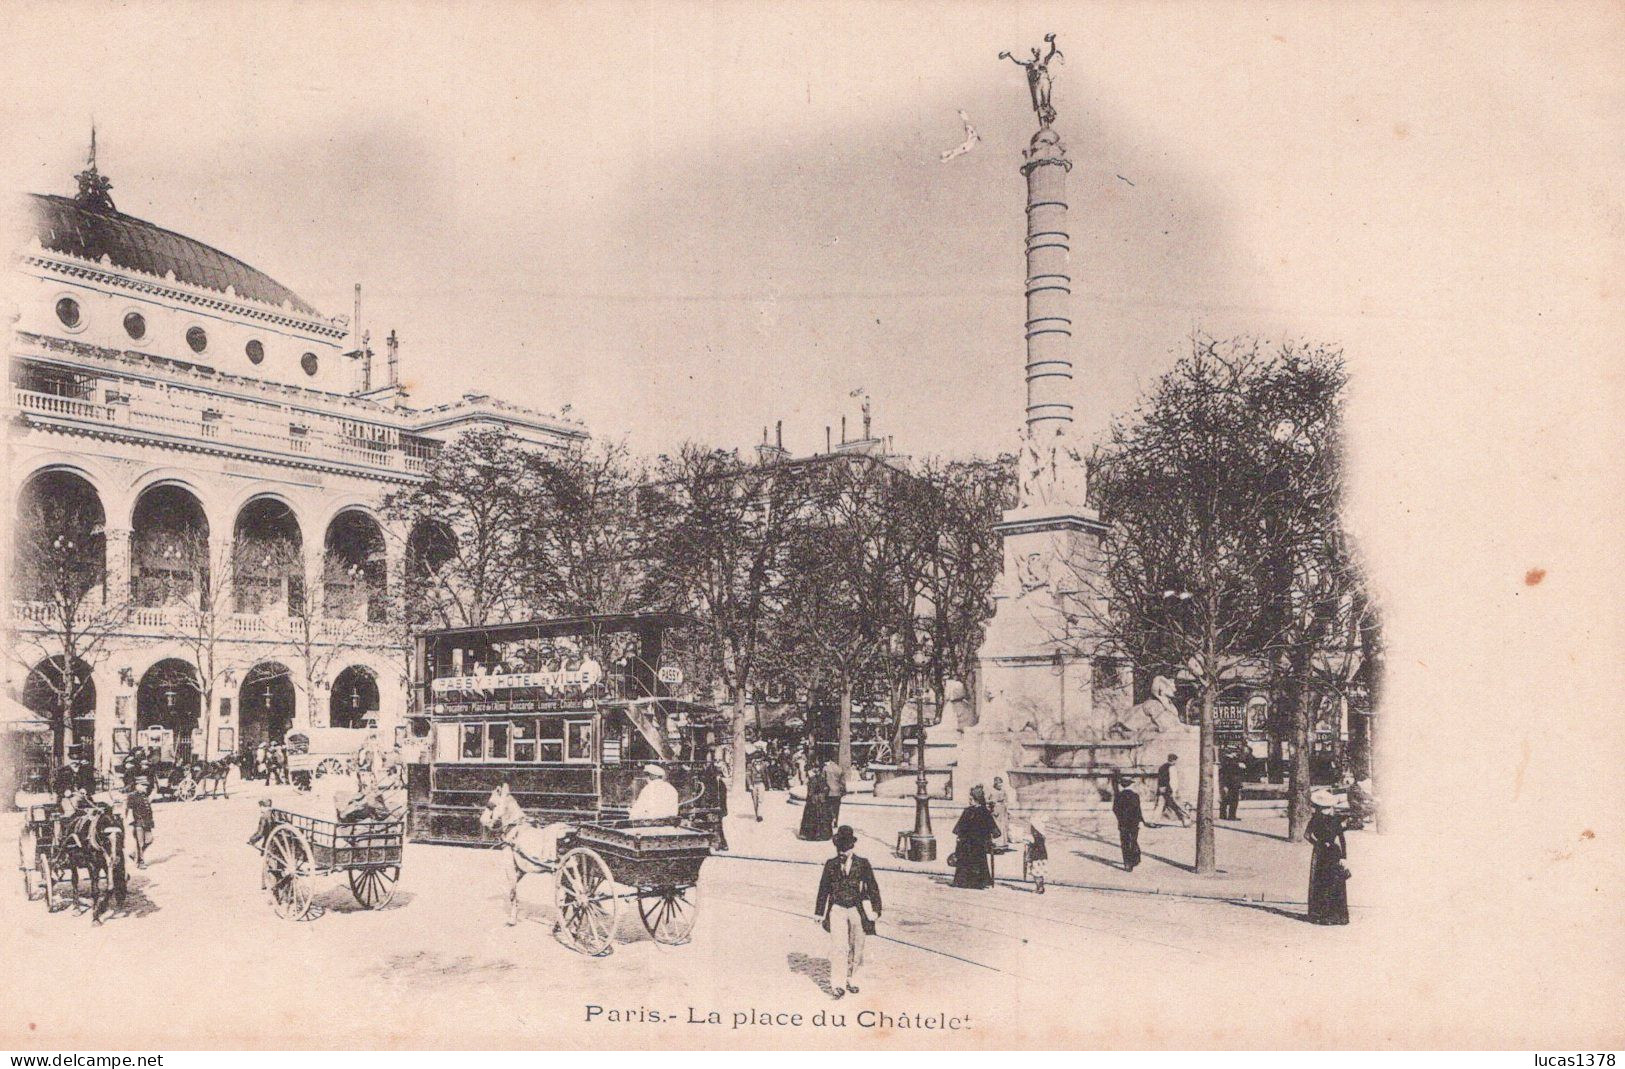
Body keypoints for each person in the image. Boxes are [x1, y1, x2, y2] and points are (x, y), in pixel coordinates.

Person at [814, 825, 882, 999]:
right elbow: (824, 888)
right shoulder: (831, 864)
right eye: (839, 848)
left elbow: (873, 887)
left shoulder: (863, 864)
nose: (841, 852)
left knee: (857, 945)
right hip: (836, 908)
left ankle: (852, 978)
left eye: (844, 848)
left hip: (856, 909)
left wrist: (875, 910)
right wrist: (819, 912)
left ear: (851, 847)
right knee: (839, 947)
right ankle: (837, 984)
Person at [1305, 789, 1351, 925]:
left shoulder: (1314, 820)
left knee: (1321, 881)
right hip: (1334, 853)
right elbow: (1342, 839)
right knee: (1335, 882)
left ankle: (1321, 914)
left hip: (1321, 853)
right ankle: (1338, 915)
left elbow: (1307, 836)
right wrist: (1344, 856)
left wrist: (1318, 843)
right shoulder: (1335, 820)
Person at [950, 785, 999, 889]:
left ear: (977, 799)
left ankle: (978, 883)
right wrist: (959, 836)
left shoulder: (984, 812)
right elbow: (961, 825)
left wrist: (993, 836)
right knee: (964, 860)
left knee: (978, 861)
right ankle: (962, 882)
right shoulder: (967, 810)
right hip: (966, 842)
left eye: (971, 798)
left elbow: (992, 826)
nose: (969, 800)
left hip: (978, 843)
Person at [1112, 774, 1148, 871]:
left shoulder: (1118, 796)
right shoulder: (1135, 796)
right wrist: (1141, 820)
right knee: (1133, 840)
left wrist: (1120, 818)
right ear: (1130, 785)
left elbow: (1115, 809)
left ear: (1122, 786)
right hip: (1134, 823)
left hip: (1123, 823)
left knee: (1125, 843)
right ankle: (1135, 858)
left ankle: (1127, 863)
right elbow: (1138, 810)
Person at [125, 776, 155, 869]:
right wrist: (129, 821)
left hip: (147, 823)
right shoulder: (132, 796)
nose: (146, 787)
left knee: (149, 840)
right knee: (140, 843)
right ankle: (140, 862)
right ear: (137, 786)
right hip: (138, 823)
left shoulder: (144, 795)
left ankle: (135, 854)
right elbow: (128, 810)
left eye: (146, 785)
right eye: (144, 785)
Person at [798, 761, 830, 840]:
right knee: (821, 817)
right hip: (821, 800)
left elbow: (810, 792)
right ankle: (822, 834)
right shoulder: (823, 779)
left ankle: (811, 834)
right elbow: (827, 789)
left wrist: (809, 796)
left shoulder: (812, 779)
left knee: (812, 817)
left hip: (813, 801)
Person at [1154, 753, 1188, 827]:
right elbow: (1173, 781)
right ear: (1174, 760)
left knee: (1159, 806)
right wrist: (1174, 791)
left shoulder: (1161, 767)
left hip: (1161, 789)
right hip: (1170, 790)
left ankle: (1155, 821)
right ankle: (1186, 820)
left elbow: (1160, 779)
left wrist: (1160, 788)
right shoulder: (1172, 768)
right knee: (1177, 805)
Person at [1220, 747, 1247, 821]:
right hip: (1232, 783)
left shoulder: (1227, 760)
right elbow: (1230, 771)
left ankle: (1223, 815)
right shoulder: (1229, 761)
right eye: (1235, 752)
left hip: (1231, 783)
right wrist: (1239, 765)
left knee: (1227, 799)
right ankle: (1231, 816)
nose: (1236, 754)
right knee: (1234, 800)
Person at [1025, 815, 1049, 894]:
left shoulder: (1037, 836)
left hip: (1037, 857)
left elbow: (1037, 847)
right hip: (1041, 856)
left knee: (1036, 873)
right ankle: (1040, 887)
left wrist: (1030, 844)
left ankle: (1040, 887)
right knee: (1038, 873)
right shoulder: (1040, 836)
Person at [823, 758, 846, 838]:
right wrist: (843, 790)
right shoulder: (839, 769)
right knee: (836, 808)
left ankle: (829, 821)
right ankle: (836, 821)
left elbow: (823, 780)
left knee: (828, 807)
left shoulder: (825, 768)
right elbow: (843, 782)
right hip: (837, 791)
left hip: (828, 792)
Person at [989, 776, 1012, 850]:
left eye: (1001, 784)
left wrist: (1007, 808)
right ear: (995, 783)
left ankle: (1003, 843)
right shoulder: (991, 791)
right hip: (995, 809)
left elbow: (1006, 800)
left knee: (1003, 826)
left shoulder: (1003, 791)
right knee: (996, 826)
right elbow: (988, 800)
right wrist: (992, 807)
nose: (1000, 785)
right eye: (999, 783)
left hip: (1003, 810)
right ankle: (996, 843)